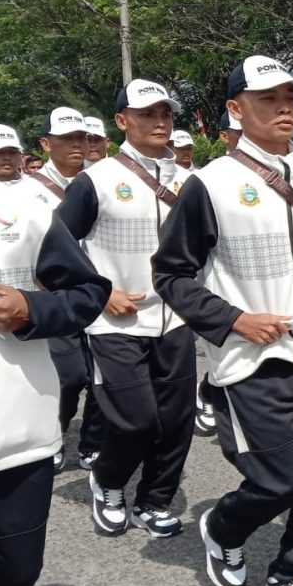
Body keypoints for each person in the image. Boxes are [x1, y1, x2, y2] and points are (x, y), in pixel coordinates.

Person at [153, 54, 293, 586]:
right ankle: (222, 525)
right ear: (236, 110)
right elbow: (171, 274)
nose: (284, 107)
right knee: (279, 479)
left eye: (289, 97)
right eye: (267, 99)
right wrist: (232, 321)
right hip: (249, 358)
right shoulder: (210, 185)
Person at [0, 69, 110, 586]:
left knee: (17, 567)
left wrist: (33, 311)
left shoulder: (18, 206)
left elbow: (87, 292)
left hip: (15, 436)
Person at [56, 79, 196, 539]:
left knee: (175, 422)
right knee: (135, 419)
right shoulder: (95, 181)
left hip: (175, 319)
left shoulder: (190, 182)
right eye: (147, 113)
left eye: (165, 114)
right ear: (122, 121)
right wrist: (99, 291)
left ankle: (154, 501)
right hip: (116, 320)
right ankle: (109, 482)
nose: (159, 121)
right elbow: (56, 249)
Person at [31, 108, 107, 472]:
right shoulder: (28, 190)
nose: (77, 145)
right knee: (70, 376)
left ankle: (92, 442)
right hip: (56, 298)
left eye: (82, 138)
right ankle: (53, 436)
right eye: (66, 139)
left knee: (103, 378)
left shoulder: (101, 182)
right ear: (46, 144)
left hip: (102, 296)